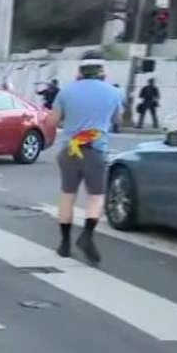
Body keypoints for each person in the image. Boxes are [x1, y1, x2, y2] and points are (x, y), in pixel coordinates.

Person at [44, 51, 122, 264]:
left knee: (67, 195)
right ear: (102, 70)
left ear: (80, 70)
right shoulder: (113, 93)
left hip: (69, 150)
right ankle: (87, 235)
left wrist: (67, 123)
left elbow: (52, 122)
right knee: (96, 197)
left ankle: (64, 243)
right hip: (96, 150)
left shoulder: (66, 92)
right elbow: (117, 119)